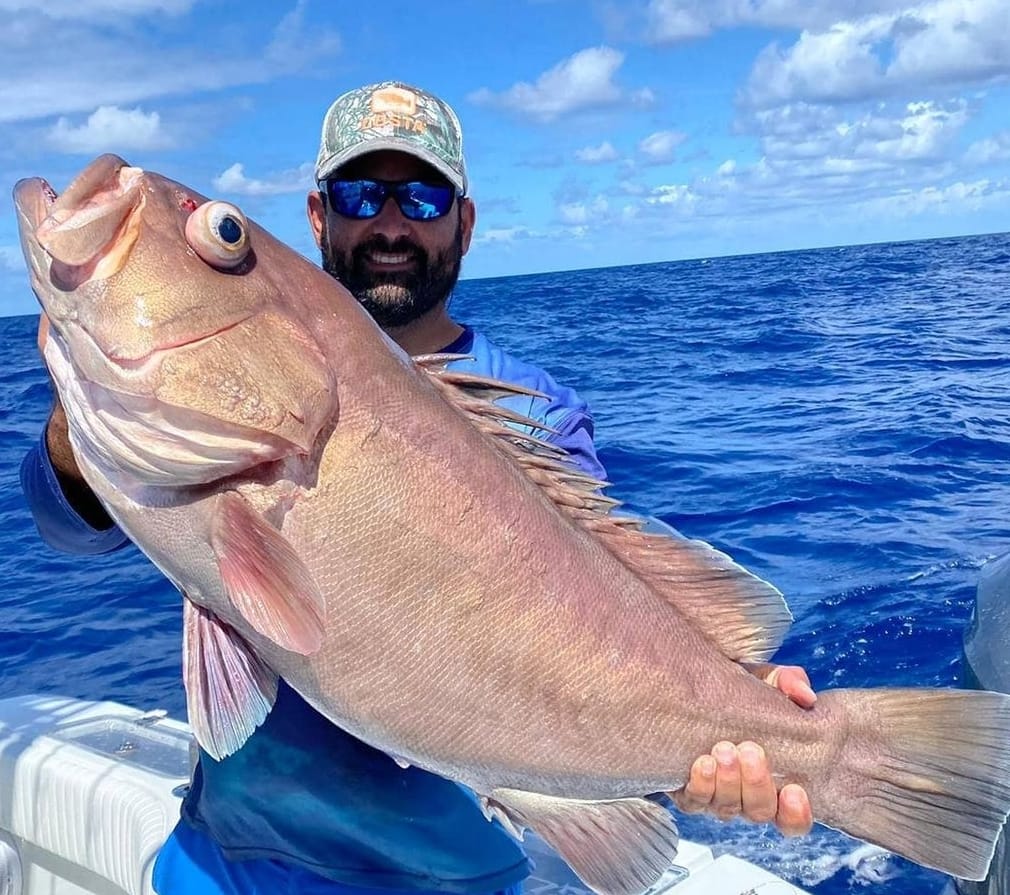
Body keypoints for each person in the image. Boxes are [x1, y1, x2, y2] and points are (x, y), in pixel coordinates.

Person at [20, 81, 814, 895]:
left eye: (424, 196)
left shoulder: (536, 411)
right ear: (320, 216)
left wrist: (718, 729)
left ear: (463, 223)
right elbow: (64, 525)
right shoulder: (174, 440)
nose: (391, 223)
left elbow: (598, 630)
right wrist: (89, 407)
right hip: (221, 865)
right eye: (362, 194)